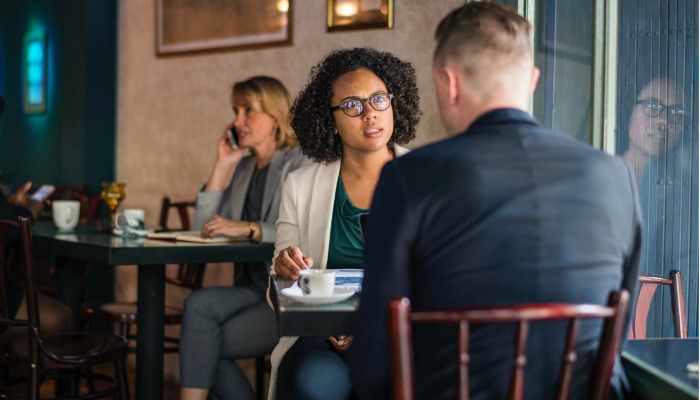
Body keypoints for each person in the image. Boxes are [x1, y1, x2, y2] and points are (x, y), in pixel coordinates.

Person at [347, 3, 642, 400]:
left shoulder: (410, 177)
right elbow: (616, 339)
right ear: (532, 80)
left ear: (449, 83)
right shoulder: (613, 175)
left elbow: (375, 356)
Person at [268, 47, 421, 400]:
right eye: (352, 105)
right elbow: (277, 285)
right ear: (329, 119)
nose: (370, 114)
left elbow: (440, 276)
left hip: (402, 333)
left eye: (379, 99)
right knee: (312, 383)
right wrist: (283, 267)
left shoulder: (425, 178)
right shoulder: (300, 184)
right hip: (322, 334)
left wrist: (374, 328)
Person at [179, 76, 310, 400]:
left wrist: (249, 227)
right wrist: (223, 166)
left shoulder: (300, 163)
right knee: (198, 305)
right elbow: (203, 231)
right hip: (249, 287)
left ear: (276, 116)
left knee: (202, 345)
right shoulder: (243, 167)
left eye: (247, 110)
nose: (237, 121)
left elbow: (302, 231)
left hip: (284, 293)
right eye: (236, 111)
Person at [619, 77, 683, 181]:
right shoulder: (601, 175)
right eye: (652, 106)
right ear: (629, 111)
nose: (664, 121)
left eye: (675, 112)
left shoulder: (684, 185)